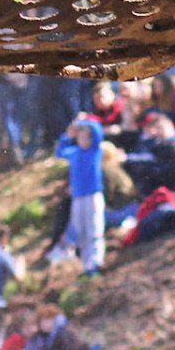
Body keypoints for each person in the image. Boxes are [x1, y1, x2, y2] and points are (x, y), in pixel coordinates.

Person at [53, 117, 106, 275]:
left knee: (94, 228)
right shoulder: (74, 152)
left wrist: (83, 123)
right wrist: (68, 135)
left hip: (92, 195)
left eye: (85, 136)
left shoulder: (95, 150)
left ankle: (96, 263)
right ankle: (87, 265)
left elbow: (98, 132)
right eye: (80, 136)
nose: (82, 139)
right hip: (78, 198)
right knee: (80, 231)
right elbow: (59, 152)